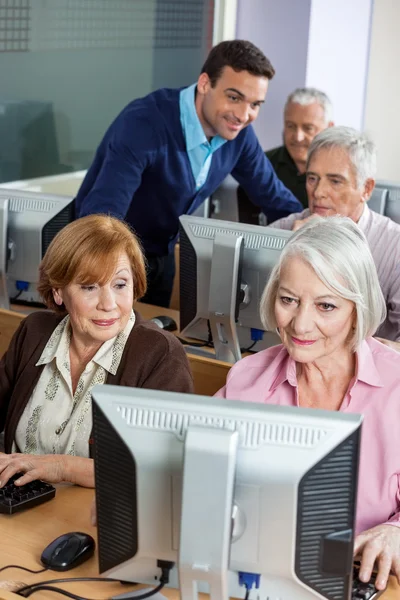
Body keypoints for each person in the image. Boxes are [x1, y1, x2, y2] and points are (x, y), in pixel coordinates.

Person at [215, 217, 400, 592]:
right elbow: (199, 469)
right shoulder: (247, 379)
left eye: (326, 306)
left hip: (359, 583)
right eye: (288, 300)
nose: (301, 324)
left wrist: (396, 533)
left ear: (356, 310)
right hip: (257, 576)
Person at [75, 40, 303, 308]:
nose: (244, 115)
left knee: (151, 342)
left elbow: (275, 199)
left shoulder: (239, 137)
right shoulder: (145, 123)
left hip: (160, 258)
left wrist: (309, 228)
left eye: (255, 104)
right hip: (106, 258)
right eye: (234, 97)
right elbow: (102, 216)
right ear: (205, 84)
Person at [0, 215, 193, 489]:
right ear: (58, 292)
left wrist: (61, 466)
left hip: (93, 519)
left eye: (120, 285)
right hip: (19, 509)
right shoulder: (34, 332)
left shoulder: (159, 354)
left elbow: (163, 469)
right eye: (89, 287)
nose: (108, 304)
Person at [270, 125, 400, 347]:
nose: (318, 192)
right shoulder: (284, 230)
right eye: (312, 178)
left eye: (335, 181)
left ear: (366, 189)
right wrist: (289, 249)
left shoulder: (395, 246)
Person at [237, 87, 333, 223]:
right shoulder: (260, 166)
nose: (298, 137)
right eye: (291, 126)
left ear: (329, 128)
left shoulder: (340, 172)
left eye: (308, 128)